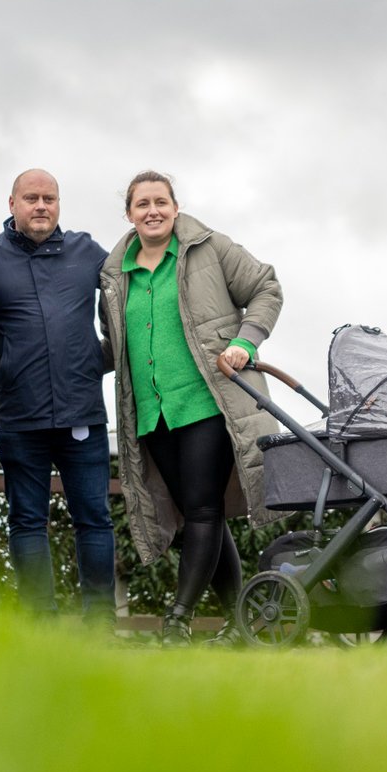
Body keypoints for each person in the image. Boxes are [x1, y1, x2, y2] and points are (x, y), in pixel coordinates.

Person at [100, 170, 283, 646]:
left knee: (203, 511)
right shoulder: (114, 274)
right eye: (142, 204)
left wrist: (245, 342)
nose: (153, 211)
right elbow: (112, 343)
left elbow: (266, 287)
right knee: (199, 515)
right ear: (129, 214)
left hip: (208, 402)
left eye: (161, 202)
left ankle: (177, 620)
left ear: (175, 208)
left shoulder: (210, 248)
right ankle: (243, 624)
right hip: (152, 412)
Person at [0, 169, 115, 628]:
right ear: (12, 202)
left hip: (83, 411)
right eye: (32, 198)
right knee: (27, 522)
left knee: (94, 519)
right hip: (20, 415)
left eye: (50, 198)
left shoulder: (88, 252)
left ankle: (100, 624)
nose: (42, 206)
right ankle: (42, 626)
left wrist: (100, 360)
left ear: (59, 204)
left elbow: (129, 295)